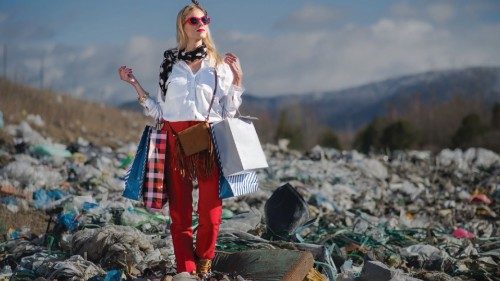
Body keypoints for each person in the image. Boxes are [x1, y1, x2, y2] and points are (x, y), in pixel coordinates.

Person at [118, 1, 244, 278]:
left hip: (208, 139)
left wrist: (237, 81)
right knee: (180, 212)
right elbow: (160, 112)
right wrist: (134, 84)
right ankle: (185, 269)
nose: (201, 24)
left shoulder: (218, 66)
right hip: (174, 138)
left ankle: (204, 260)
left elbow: (228, 112)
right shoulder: (169, 64)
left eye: (205, 19)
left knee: (210, 210)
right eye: (194, 21)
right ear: (183, 26)